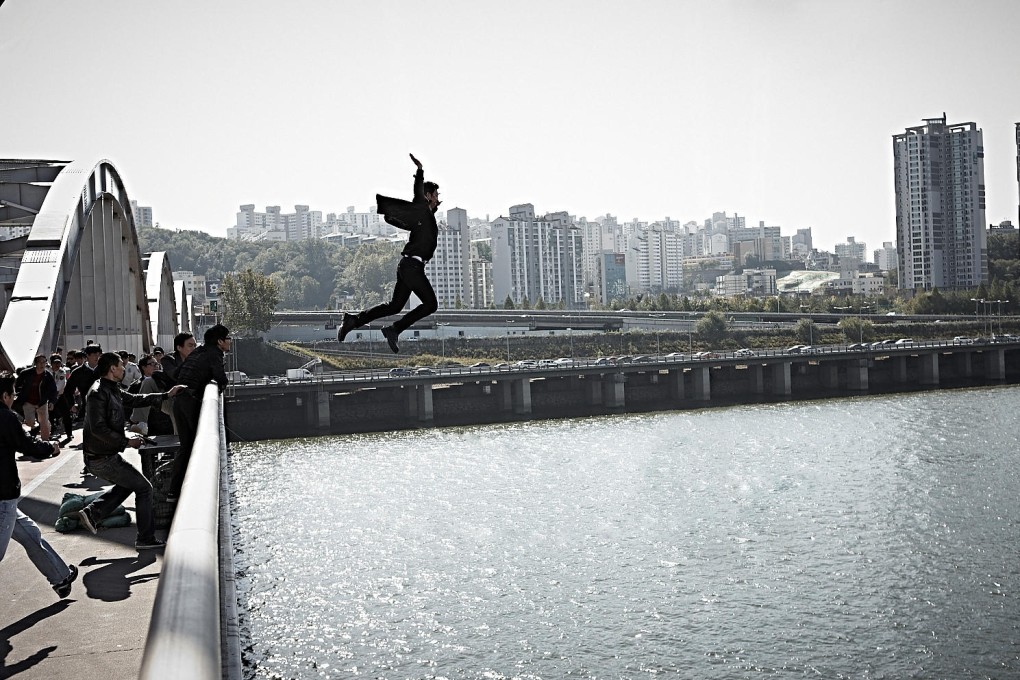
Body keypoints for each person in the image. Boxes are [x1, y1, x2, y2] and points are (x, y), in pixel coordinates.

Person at [77, 353, 184, 550]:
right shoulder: (98, 393)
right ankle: (145, 539)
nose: (124, 369)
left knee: (131, 483)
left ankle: (94, 512)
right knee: (145, 488)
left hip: (105, 456)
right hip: (101, 458)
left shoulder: (111, 389)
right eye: (120, 366)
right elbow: (98, 429)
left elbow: (135, 399)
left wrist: (166, 395)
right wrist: (127, 442)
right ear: (112, 369)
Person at [337, 153, 441, 353]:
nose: (438, 199)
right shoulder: (421, 208)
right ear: (428, 195)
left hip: (409, 266)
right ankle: (394, 329)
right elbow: (418, 193)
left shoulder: (425, 217)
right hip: (411, 267)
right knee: (431, 304)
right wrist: (419, 171)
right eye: (436, 195)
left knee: (394, 306)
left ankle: (353, 321)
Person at [0, 372, 77, 598]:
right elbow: (26, 445)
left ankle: (60, 577)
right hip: (2, 495)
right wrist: (49, 447)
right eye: (13, 394)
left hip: (7, 498)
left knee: (30, 533)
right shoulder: (5, 417)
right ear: (4, 395)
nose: (14, 398)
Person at [169, 324, 230, 501]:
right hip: (190, 402)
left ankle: (174, 492)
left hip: (179, 400)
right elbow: (221, 378)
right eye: (227, 338)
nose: (230, 341)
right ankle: (196, 492)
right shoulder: (214, 354)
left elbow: (178, 373)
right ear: (220, 342)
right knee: (199, 446)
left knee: (186, 447)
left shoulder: (198, 352)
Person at [14, 355, 58, 441]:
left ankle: (46, 442)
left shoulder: (48, 376)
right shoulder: (26, 373)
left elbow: (53, 390)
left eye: (44, 362)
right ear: (35, 363)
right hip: (28, 401)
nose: (42, 364)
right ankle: (37, 426)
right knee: (30, 422)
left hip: (42, 402)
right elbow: (17, 385)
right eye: (40, 362)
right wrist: (20, 394)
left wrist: (52, 402)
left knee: (44, 423)